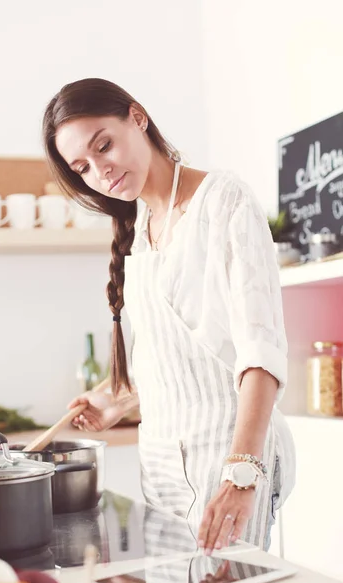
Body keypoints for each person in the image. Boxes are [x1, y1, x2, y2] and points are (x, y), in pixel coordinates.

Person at [42, 78, 295, 553]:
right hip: (158, 462)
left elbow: (260, 353)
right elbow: (180, 359)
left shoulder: (224, 201)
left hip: (228, 454)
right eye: (83, 167)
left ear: (137, 117)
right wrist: (116, 399)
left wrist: (241, 474)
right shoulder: (138, 227)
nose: (101, 172)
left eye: (105, 145)